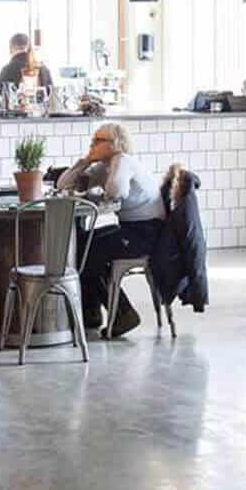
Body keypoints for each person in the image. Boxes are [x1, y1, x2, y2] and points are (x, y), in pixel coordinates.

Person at [56, 122, 166, 338]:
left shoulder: (122, 160)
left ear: (115, 144)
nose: (92, 144)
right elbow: (62, 184)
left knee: (88, 252)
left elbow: (117, 190)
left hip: (146, 233)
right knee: (83, 244)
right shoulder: (106, 166)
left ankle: (123, 314)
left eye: (98, 141)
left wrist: (100, 184)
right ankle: (92, 312)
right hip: (130, 228)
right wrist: (86, 161)